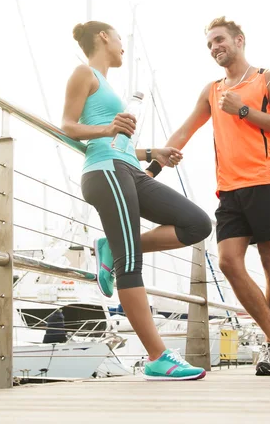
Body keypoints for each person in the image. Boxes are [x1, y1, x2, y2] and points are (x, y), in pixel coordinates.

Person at [146, 16, 270, 376]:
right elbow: (186, 129)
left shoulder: (269, 77)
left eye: (219, 40)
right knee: (229, 261)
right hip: (229, 189)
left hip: (266, 181)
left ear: (239, 40)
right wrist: (152, 170)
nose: (215, 47)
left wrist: (244, 110)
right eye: (209, 44)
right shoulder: (212, 90)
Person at [61, 20, 212, 380]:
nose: (121, 45)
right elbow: (68, 125)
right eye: (117, 38)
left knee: (198, 224)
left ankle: (110, 248)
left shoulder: (107, 85)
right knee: (132, 265)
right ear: (103, 37)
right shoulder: (83, 73)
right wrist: (108, 128)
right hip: (105, 170)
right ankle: (157, 357)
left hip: (129, 167)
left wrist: (150, 152)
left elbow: (118, 139)